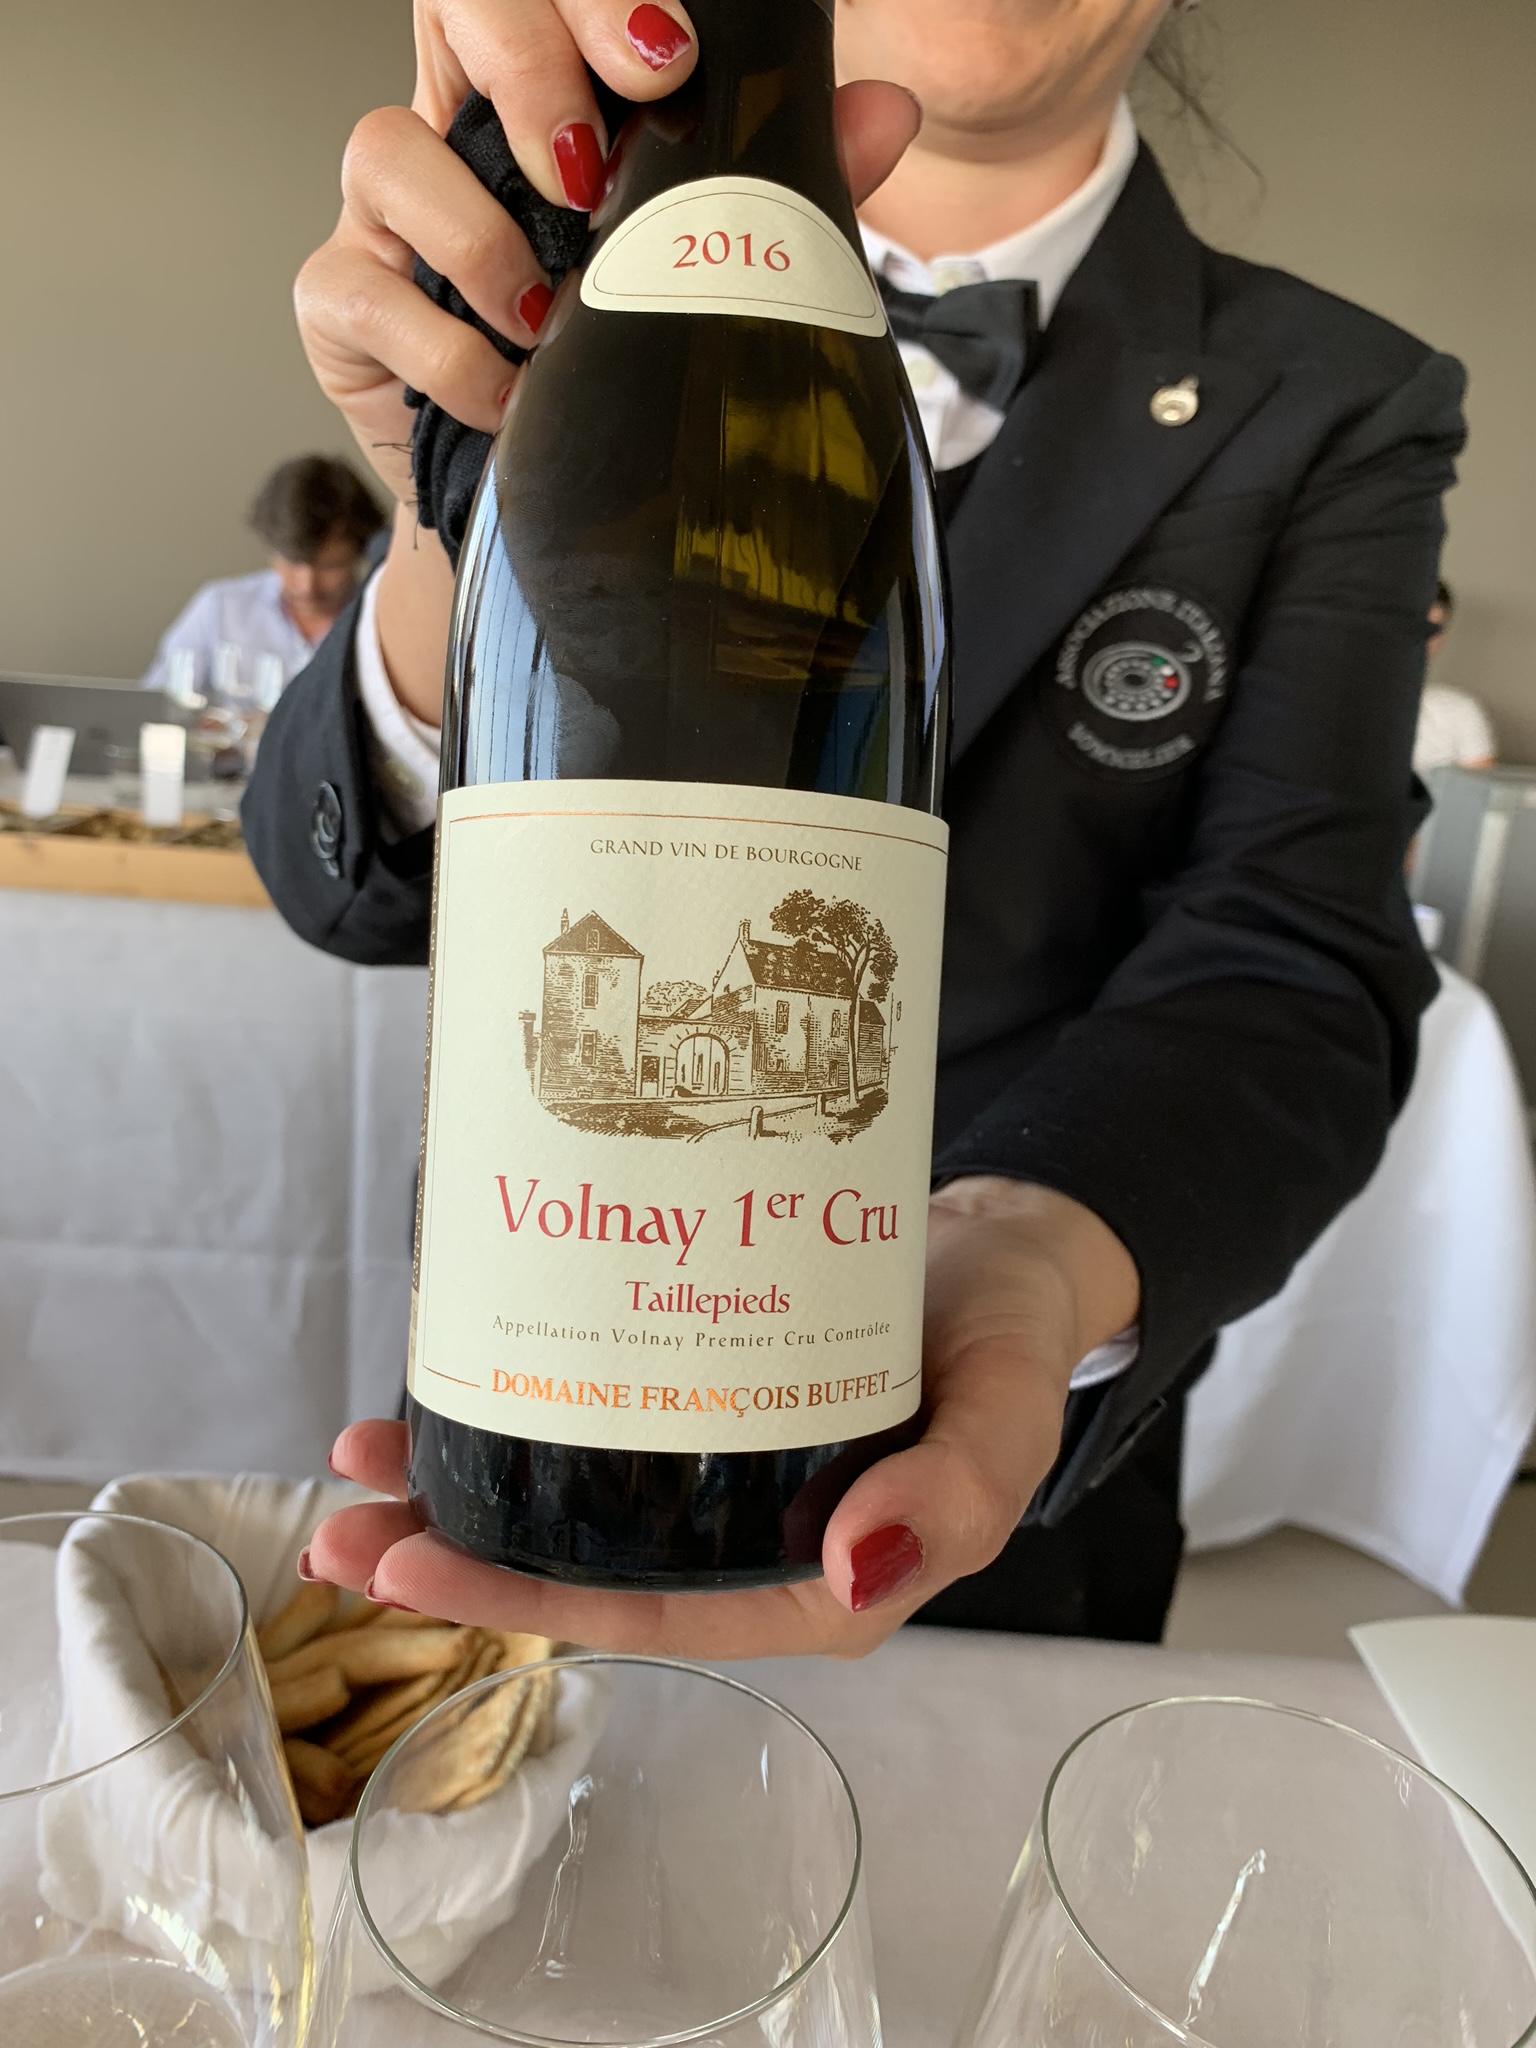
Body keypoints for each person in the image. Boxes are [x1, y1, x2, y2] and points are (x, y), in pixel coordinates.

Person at [241, 0, 1465, 1657]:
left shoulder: (1343, 400)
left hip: (988, 1482)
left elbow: (1295, 961)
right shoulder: (559, 284)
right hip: (541, 1355)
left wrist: (1033, 1252)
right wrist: (447, 493)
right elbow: (349, 897)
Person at [142, 455, 385, 706]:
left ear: (362, 552)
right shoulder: (221, 608)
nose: (306, 586)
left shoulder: (382, 622)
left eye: (330, 567)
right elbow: (159, 705)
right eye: (291, 562)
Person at [1413, 580, 1496, 777]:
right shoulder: (1343, 703)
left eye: (1433, 632)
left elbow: (1481, 791)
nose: (1422, 643)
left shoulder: (1460, 711)